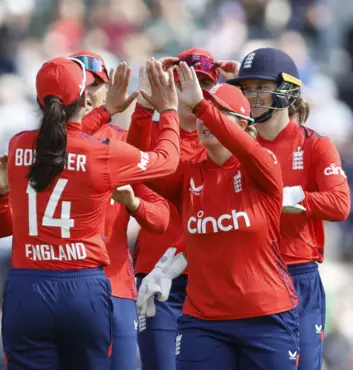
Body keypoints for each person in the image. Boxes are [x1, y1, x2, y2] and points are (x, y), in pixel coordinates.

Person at [0, 51, 171, 370]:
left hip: (45, 285)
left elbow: (160, 218)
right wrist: (165, 111)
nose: (93, 90)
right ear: (85, 99)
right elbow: (163, 161)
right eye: (87, 85)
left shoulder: (20, 144)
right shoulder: (106, 153)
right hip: (85, 286)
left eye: (98, 82)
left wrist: (133, 203)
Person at [136, 62, 300, 370]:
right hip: (203, 321)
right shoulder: (189, 173)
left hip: (266, 316)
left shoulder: (263, 165)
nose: (204, 119)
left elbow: (247, 151)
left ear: (244, 124)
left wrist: (200, 104)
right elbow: (138, 167)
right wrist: (145, 111)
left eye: (219, 112)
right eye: (203, 113)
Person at [224, 47, 351, 370]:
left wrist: (293, 199)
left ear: (285, 91)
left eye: (261, 88)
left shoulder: (314, 145)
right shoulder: (233, 149)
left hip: (297, 273)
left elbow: (340, 204)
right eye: (246, 89)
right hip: (246, 277)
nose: (251, 97)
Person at [127, 48, 218, 370]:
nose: (193, 91)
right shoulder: (152, 133)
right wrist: (144, 105)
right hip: (158, 273)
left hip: (210, 278)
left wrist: (240, 87)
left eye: (204, 83)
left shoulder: (221, 142)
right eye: (181, 82)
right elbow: (132, 166)